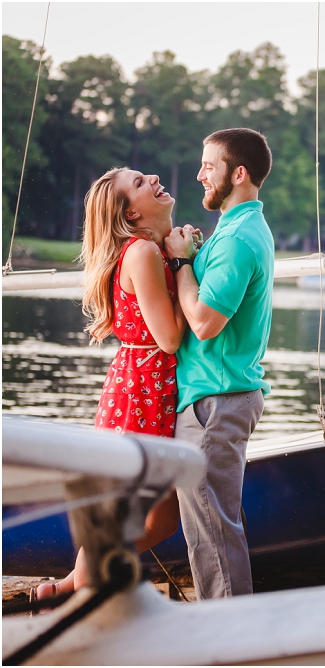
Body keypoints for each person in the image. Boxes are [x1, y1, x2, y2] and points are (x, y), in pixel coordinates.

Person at [37, 167, 196, 599]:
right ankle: (76, 598)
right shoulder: (142, 252)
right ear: (130, 212)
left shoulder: (150, 247)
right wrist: (186, 265)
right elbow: (168, 338)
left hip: (146, 387)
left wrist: (180, 255)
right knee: (142, 517)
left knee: (159, 520)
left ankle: (64, 589)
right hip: (142, 393)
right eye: (140, 182)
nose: (154, 176)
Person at [164, 128, 274, 599]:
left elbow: (205, 322)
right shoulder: (231, 230)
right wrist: (193, 252)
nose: (199, 174)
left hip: (216, 402)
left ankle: (228, 645)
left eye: (209, 166)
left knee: (213, 537)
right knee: (215, 529)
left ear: (239, 173)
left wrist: (182, 264)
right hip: (217, 397)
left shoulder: (238, 239)